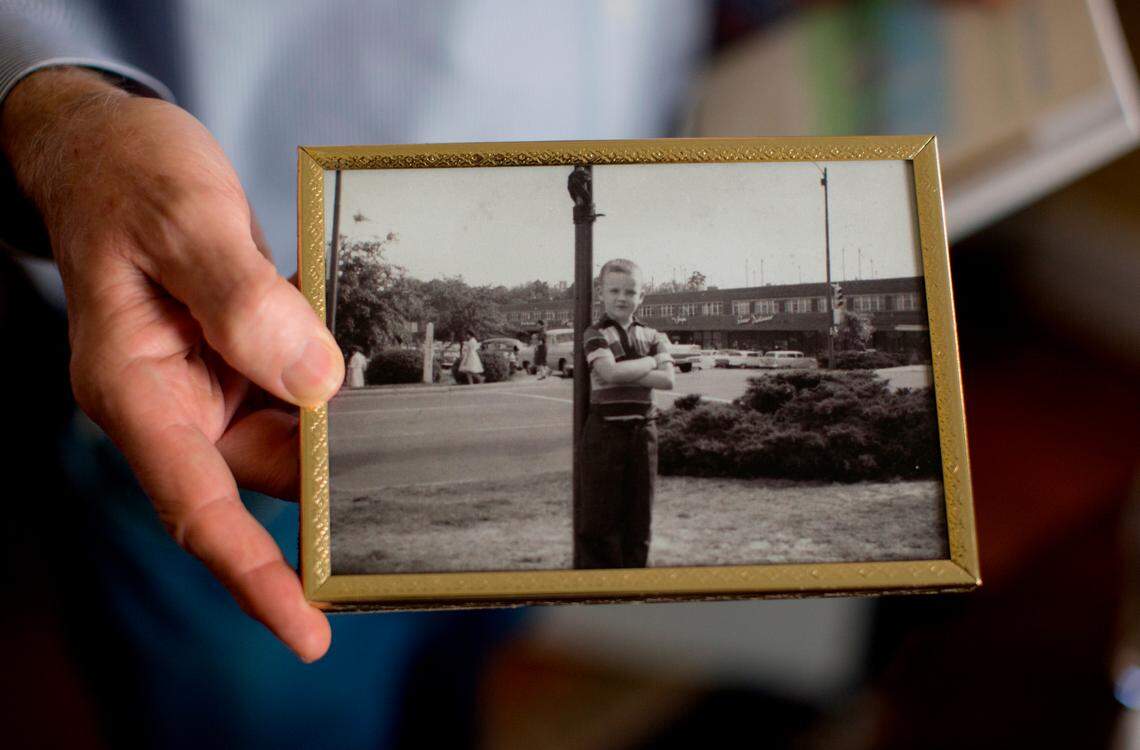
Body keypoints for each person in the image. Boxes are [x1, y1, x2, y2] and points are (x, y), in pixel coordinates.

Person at [576, 258, 674, 569]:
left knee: (639, 519)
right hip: (605, 432)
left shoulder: (654, 335)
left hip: (644, 433)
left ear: (641, 296)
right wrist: (649, 363)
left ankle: (633, 588)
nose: (622, 298)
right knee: (599, 520)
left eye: (630, 291)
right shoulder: (595, 333)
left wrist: (623, 370)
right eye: (614, 290)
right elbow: (608, 373)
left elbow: (668, 380)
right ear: (601, 293)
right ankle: (598, 593)